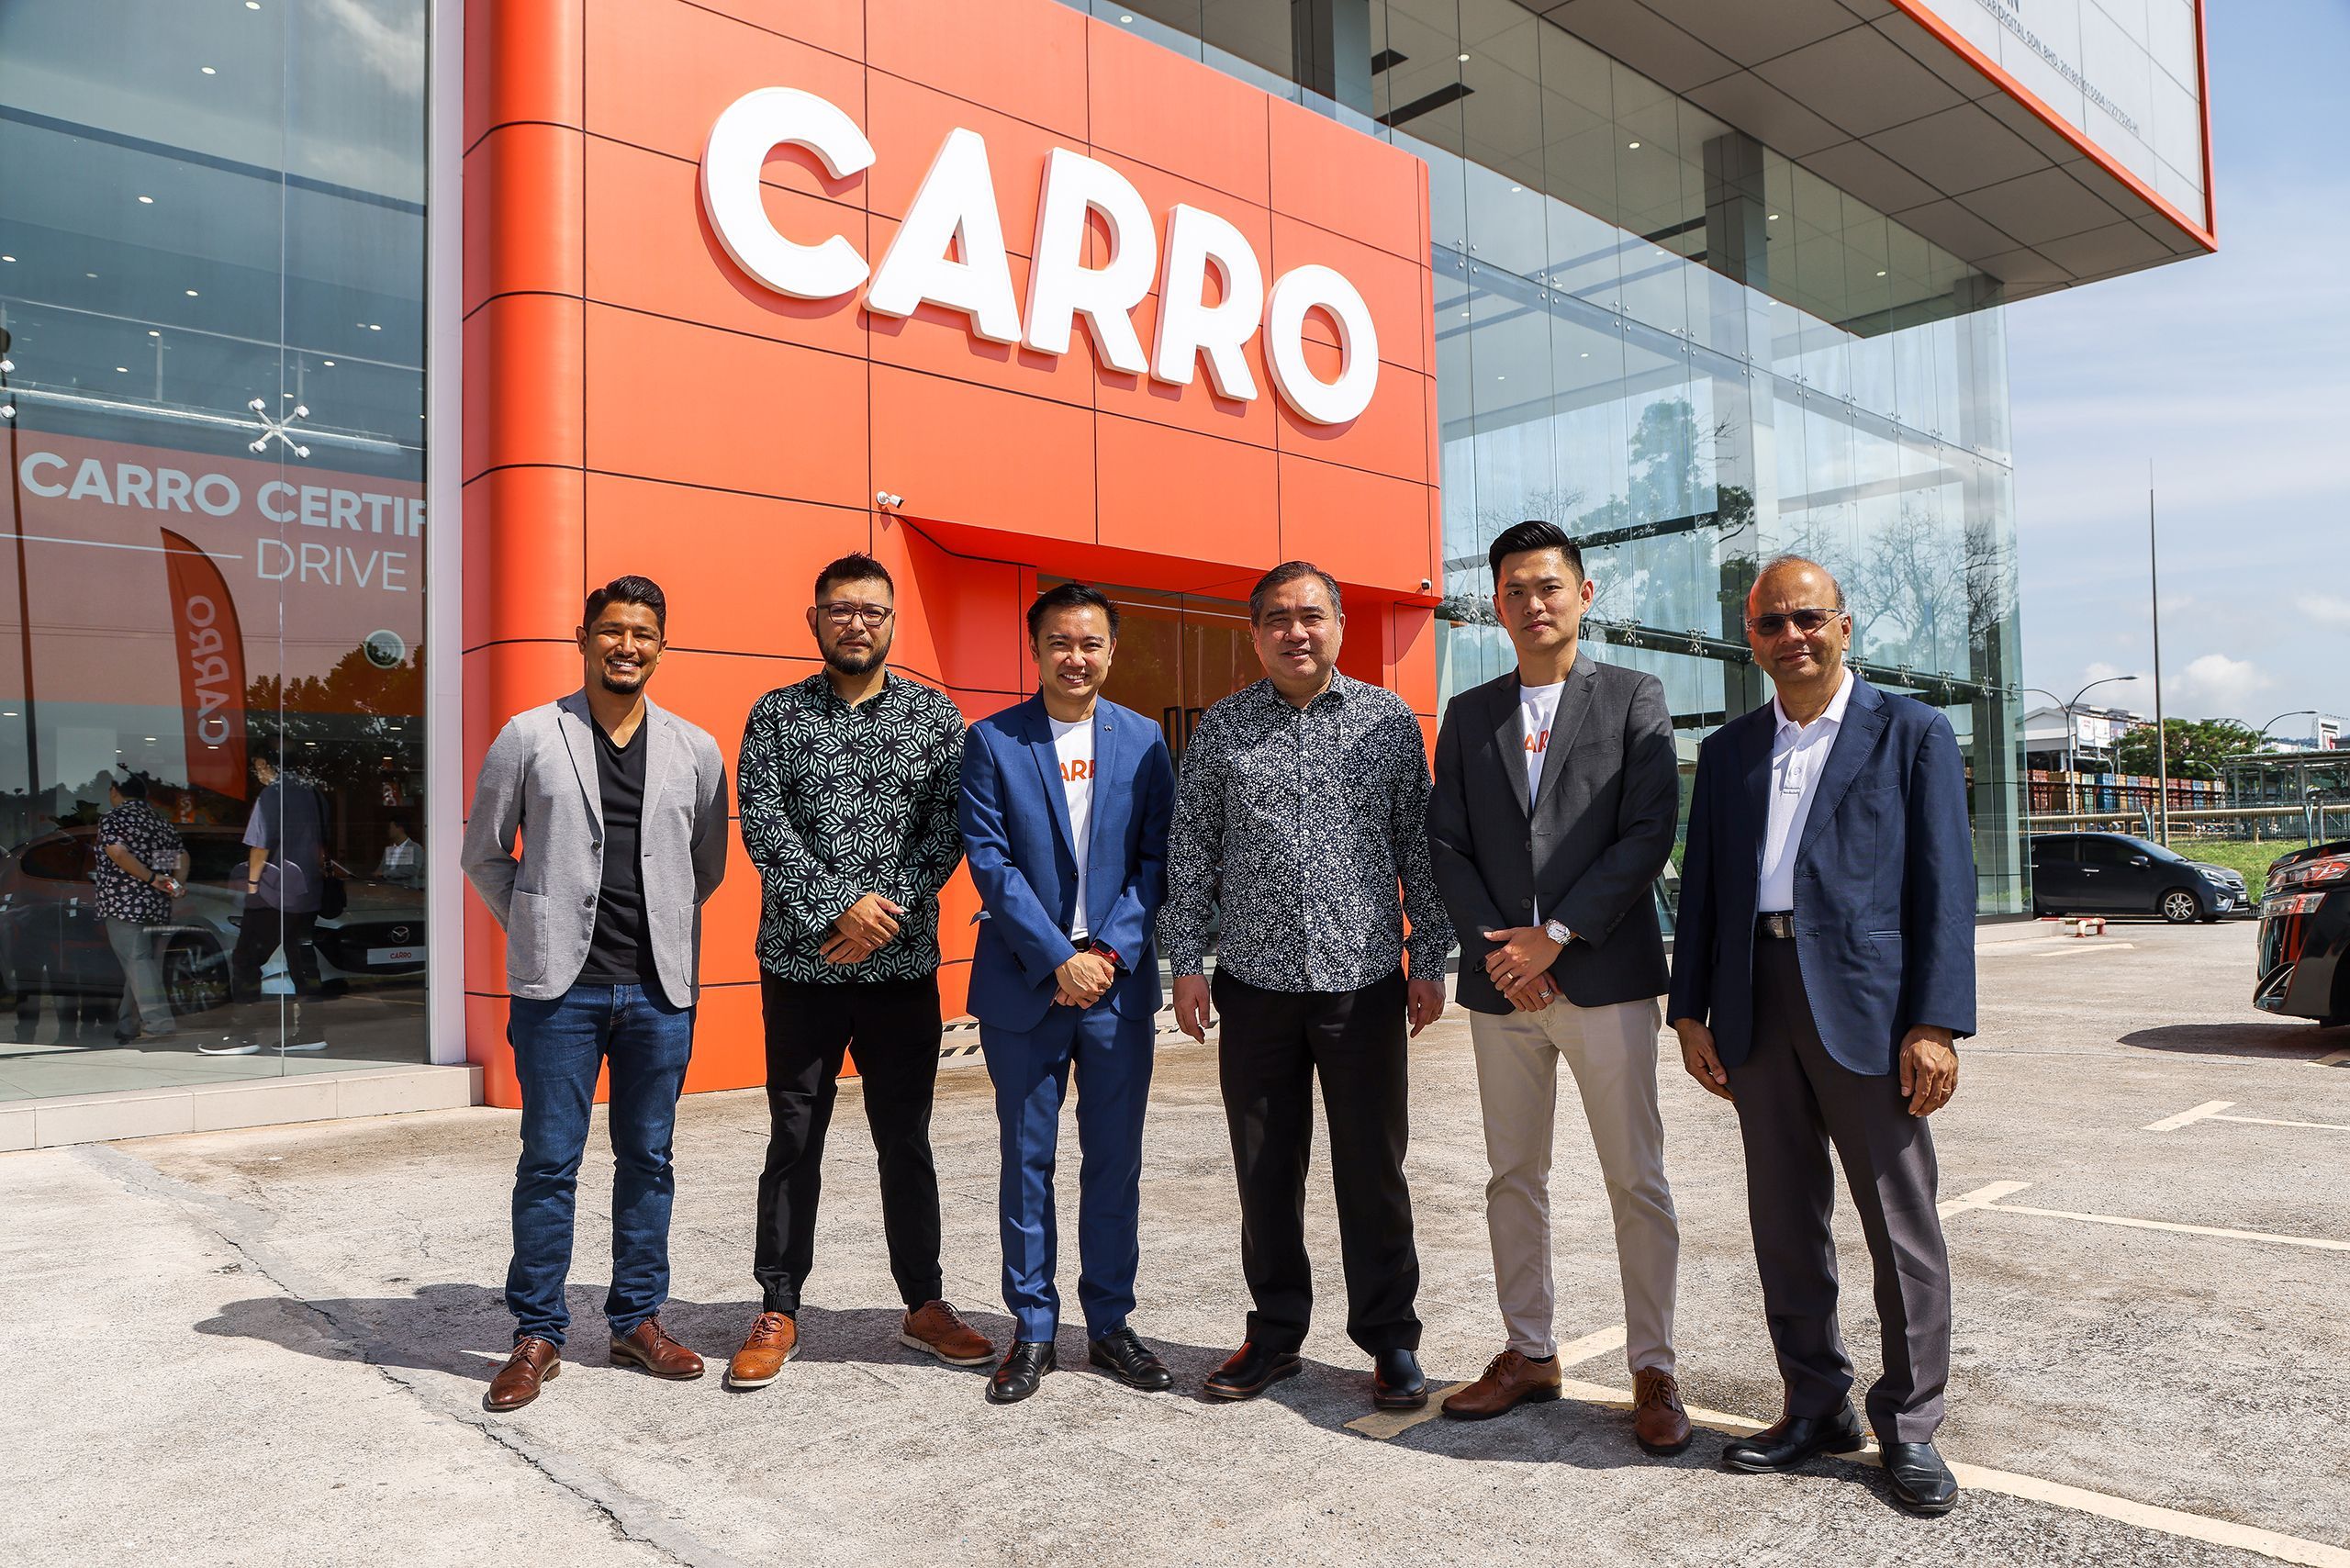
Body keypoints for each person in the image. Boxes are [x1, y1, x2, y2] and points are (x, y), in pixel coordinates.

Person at [1667, 554, 1973, 1517]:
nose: (1791, 636)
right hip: (1753, 998)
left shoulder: (1911, 732)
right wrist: (1689, 1010)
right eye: (1772, 623)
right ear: (1751, 639)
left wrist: (1934, 1021)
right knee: (1783, 1217)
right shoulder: (1729, 752)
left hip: (1870, 1009)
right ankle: (1814, 1404)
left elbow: (1945, 885)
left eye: (1808, 618)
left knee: (1898, 1223)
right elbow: (1704, 886)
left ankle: (1910, 1424)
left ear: (1843, 626)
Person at [1160, 560, 1454, 1411]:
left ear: (1340, 626)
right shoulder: (1224, 728)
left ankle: (1391, 1338)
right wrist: (1187, 962)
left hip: (1363, 982)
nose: (1296, 632)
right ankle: (1276, 1333)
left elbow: (1418, 847)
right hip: (1254, 986)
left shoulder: (1385, 722)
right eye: (1278, 619)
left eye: (1312, 615)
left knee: (1373, 1169)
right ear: (1255, 635)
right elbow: (1193, 849)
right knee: (1263, 1171)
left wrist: (1428, 958)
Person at [1425, 521, 1690, 1454]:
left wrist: (1558, 937)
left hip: (1603, 977)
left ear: (1583, 594)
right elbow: (1447, 845)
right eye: (1514, 589)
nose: (1532, 602)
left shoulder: (1632, 697)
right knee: (1512, 1176)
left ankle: (1653, 1366)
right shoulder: (1470, 714)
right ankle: (1529, 1351)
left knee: (1635, 1177)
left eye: (1548, 585)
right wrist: (1506, 953)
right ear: (1495, 606)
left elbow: (1648, 830)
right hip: (1503, 988)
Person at [461, 575, 732, 1412]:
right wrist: (537, 926)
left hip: (658, 990)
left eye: (643, 633)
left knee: (649, 1159)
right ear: (582, 639)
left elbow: (706, 866)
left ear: (661, 646)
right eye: (612, 630)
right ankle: (538, 1332)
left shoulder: (696, 749)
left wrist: (662, 927)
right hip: (559, 995)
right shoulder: (529, 735)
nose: (627, 646)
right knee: (550, 1161)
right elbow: (484, 854)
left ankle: (636, 1320)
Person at [726, 552, 990, 1390]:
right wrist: (835, 908)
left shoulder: (934, 718)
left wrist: (881, 917)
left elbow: (950, 829)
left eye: (872, 611)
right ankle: (778, 1307)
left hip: (900, 968)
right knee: (793, 1138)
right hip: (800, 966)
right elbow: (763, 823)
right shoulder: (776, 715)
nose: (856, 624)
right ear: (814, 620)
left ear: (891, 623)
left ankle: (924, 1303)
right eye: (840, 609)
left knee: (904, 1139)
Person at [958, 582, 1177, 1404]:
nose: (1075, 657)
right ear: (1036, 649)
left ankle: (1111, 1325)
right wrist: (1058, 958)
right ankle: (1034, 1330)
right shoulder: (993, 741)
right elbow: (989, 859)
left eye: (1090, 643)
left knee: (1114, 1163)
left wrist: (1108, 953)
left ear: (1111, 651)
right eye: (1059, 642)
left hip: (1116, 988)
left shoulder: (1145, 740)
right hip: (1026, 984)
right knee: (1027, 1162)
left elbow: (1157, 859)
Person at [202, 754, 330, 1055]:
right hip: (308, 890)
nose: (257, 773)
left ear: (267, 766)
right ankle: (311, 1031)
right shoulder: (314, 794)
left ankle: (242, 1034)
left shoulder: (272, 794)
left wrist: (252, 884)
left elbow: (260, 845)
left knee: (246, 959)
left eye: (258, 767)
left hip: (273, 892)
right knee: (302, 960)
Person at [95, 773, 187, 1047]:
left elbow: (117, 852)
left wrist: (149, 877)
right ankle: (128, 1024)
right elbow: (180, 856)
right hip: (156, 903)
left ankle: (158, 1025)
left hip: (123, 903)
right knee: (139, 963)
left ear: (115, 791)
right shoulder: (158, 821)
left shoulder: (113, 818)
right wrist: (175, 884)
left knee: (138, 962)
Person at [377, 817, 422, 886]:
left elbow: (413, 869)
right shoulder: (390, 849)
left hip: (407, 888)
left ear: (400, 829)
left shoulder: (415, 847)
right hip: (388, 888)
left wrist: (386, 873)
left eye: (391, 828)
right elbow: (381, 868)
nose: (388, 830)